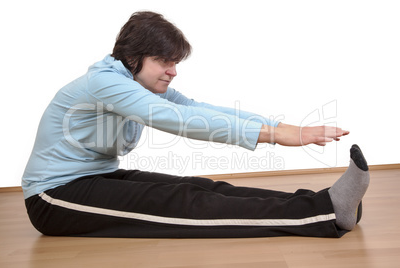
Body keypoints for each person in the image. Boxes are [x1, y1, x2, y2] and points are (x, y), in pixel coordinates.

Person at [22, 11, 369, 238]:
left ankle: (327, 201)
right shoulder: (105, 82)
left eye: (175, 61)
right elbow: (181, 120)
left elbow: (195, 108)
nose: (173, 70)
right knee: (184, 203)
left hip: (93, 179)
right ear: (132, 58)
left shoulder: (133, 82)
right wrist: (275, 136)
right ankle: (324, 215)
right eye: (163, 61)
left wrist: (280, 126)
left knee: (202, 186)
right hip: (54, 198)